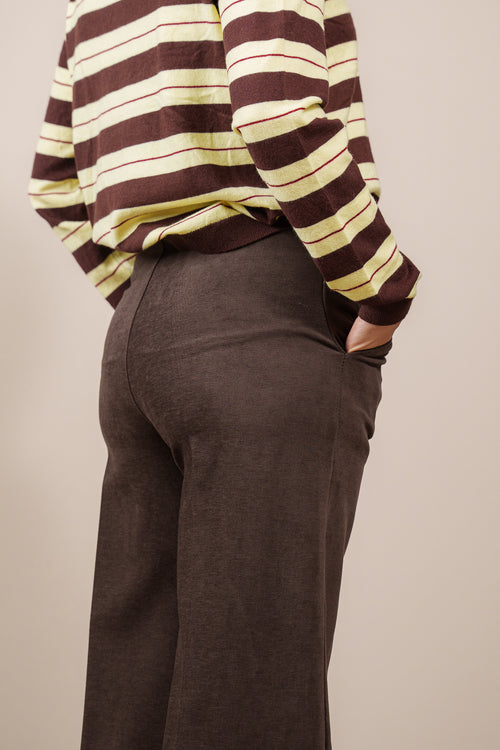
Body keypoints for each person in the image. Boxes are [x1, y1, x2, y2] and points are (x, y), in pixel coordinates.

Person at [28, 1, 422, 748]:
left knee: (134, 686)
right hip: (265, 312)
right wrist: (381, 283)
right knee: (255, 692)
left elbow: (53, 180)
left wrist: (150, 300)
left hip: (139, 336)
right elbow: (275, 108)